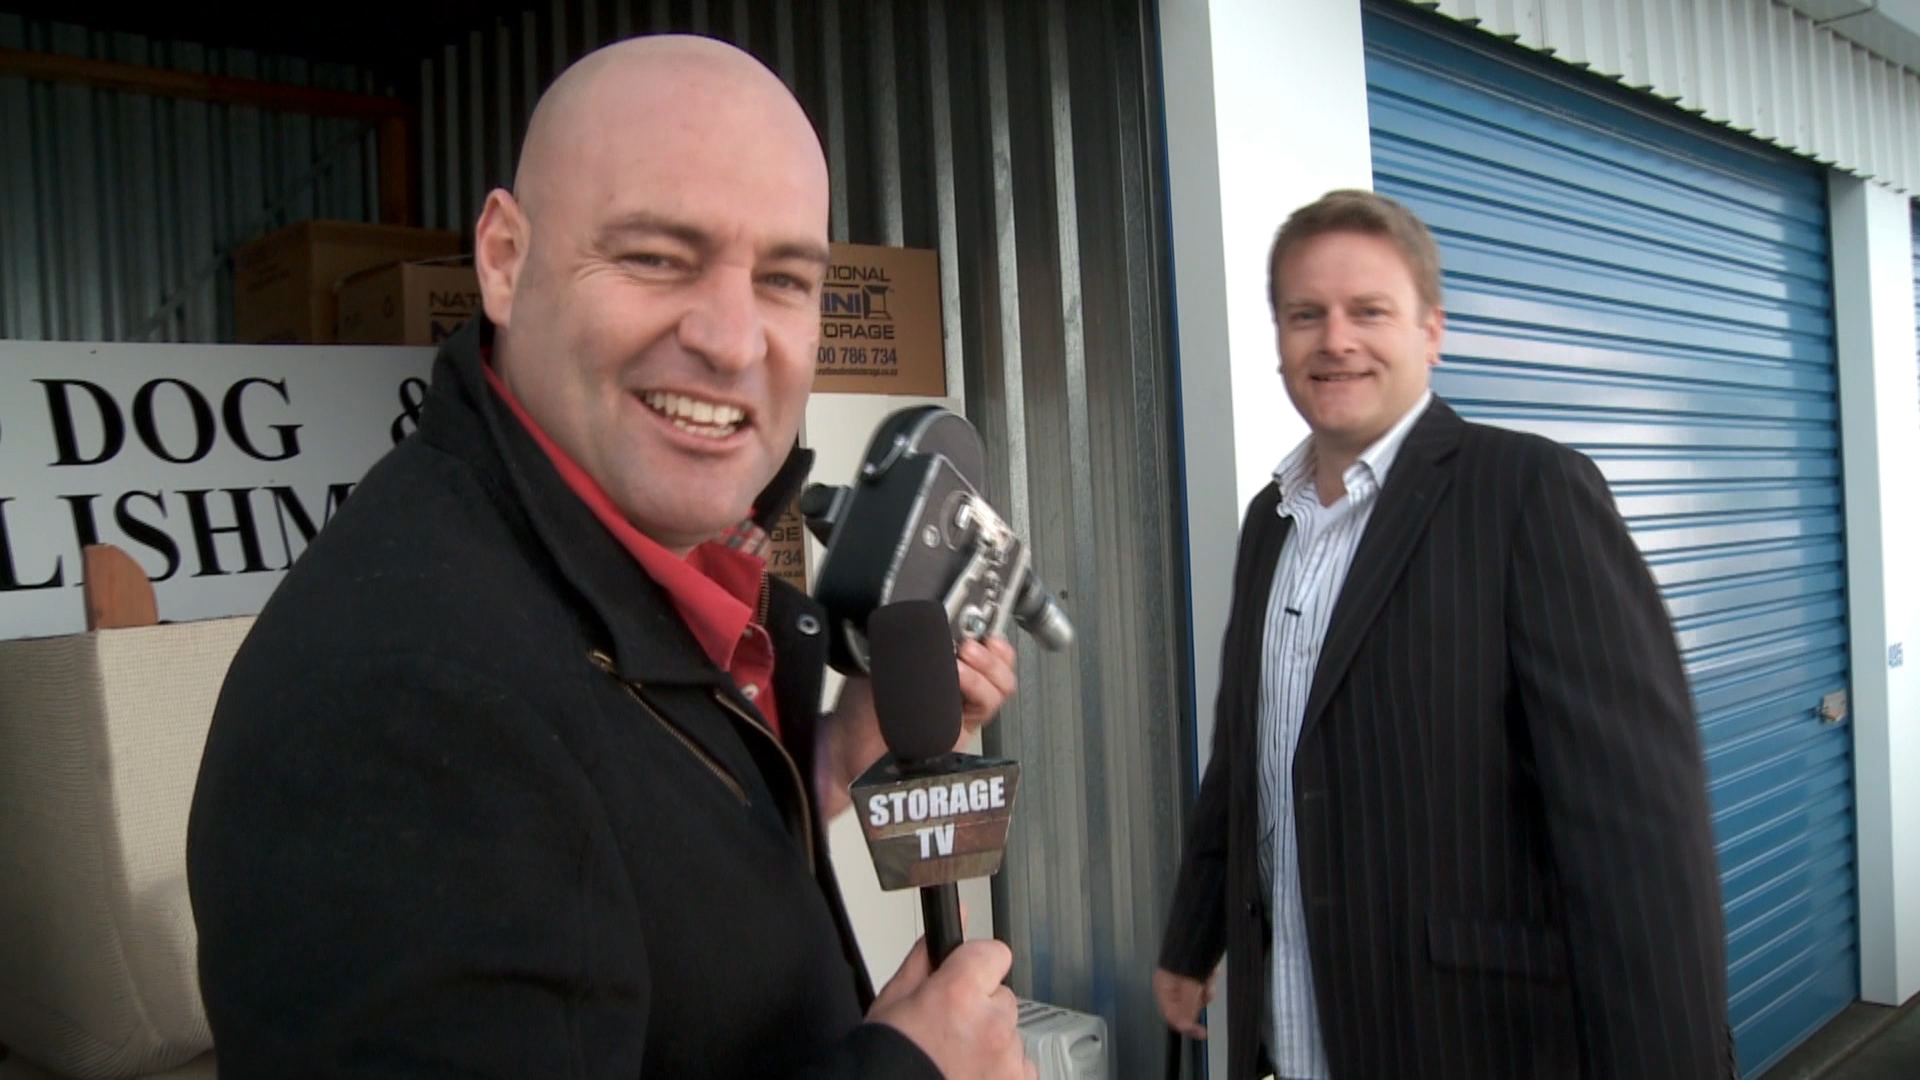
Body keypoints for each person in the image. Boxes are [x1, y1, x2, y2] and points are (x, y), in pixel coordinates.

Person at [187, 35, 1035, 1080]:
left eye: (783, 278)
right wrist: (911, 1071)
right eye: (656, 258)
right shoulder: (405, 709)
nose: (733, 340)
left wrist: (834, 753)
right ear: (504, 259)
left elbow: (629, 858)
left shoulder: (627, 570)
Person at [1154, 189, 1732, 1079]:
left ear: (1432, 331)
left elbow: (1641, 838)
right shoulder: (1272, 520)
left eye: (1369, 312)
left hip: (1469, 1040)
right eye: (1306, 315)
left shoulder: (1530, 493)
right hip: (1294, 1035)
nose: (1335, 340)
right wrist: (1193, 941)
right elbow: (1245, 756)